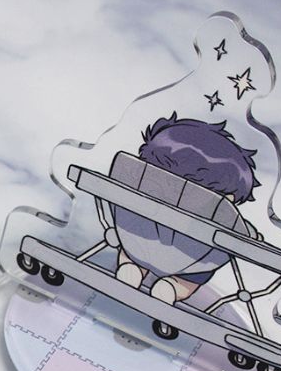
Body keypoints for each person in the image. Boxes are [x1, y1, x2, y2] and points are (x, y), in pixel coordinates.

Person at [112, 113, 261, 306]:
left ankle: (130, 267)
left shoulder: (138, 182)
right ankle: (173, 287)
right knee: (198, 270)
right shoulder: (221, 212)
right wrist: (253, 235)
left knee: (133, 233)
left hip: (135, 244)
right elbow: (245, 235)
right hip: (191, 264)